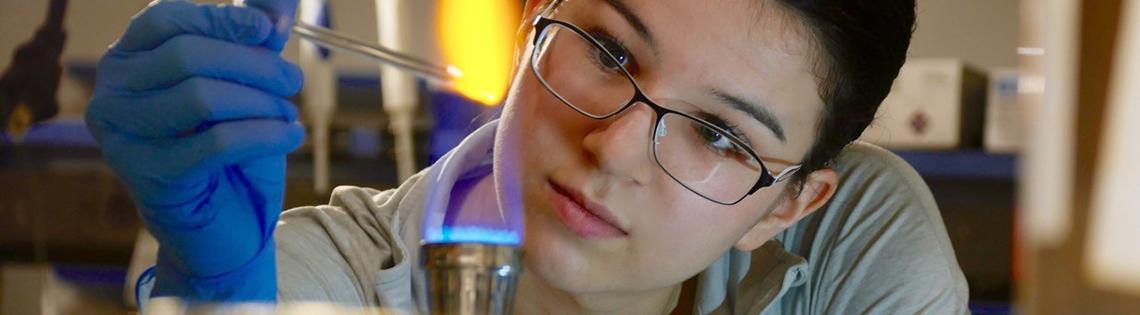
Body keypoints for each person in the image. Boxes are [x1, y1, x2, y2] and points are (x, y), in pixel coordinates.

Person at [87, 0, 969, 313]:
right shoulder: (318, 282)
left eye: (721, 135)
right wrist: (218, 299)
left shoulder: (856, 249)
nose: (613, 146)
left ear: (788, 205)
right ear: (531, 28)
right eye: (611, 52)